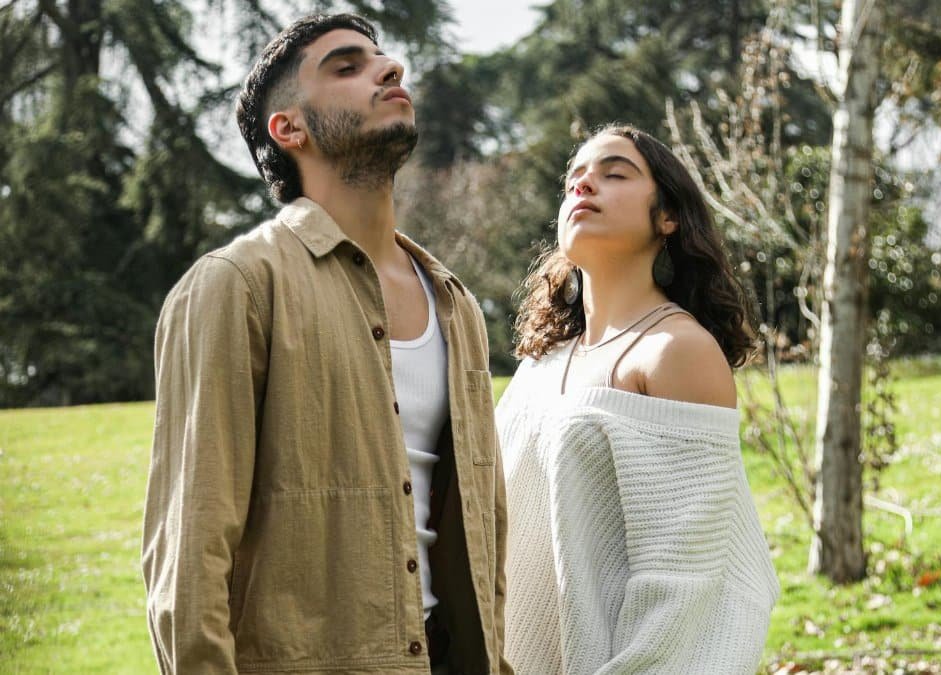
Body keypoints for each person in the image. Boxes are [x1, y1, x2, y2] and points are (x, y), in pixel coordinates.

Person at [141, 14, 511, 674]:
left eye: (384, 59)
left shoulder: (455, 304)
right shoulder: (238, 285)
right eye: (347, 66)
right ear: (290, 129)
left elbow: (484, 530)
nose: (389, 69)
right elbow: (190, 550)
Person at [496, 124, 780, 674]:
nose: (584, 186)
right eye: (574, 178)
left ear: (667, 217)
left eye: (614, 173)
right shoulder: (540, 362)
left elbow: (686, 584)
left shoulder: (676, 352)